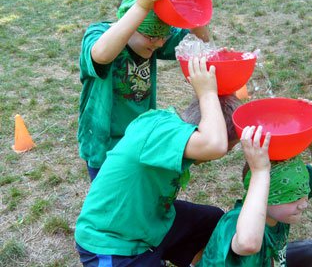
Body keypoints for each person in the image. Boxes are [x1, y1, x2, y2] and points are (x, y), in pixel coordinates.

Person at [75, 56, 242, 267]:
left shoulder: (174, 128)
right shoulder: (159, 133)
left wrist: (227, 72)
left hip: (153, 221)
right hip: (112, 242)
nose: (220, 155)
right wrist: (207, 92)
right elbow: (215, 144)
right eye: (228, 149)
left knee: (213, 221)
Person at [77, 0, 210, 181]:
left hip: (139, 141)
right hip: (104, 148)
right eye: (151, 36)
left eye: (163, 36)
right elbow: (101, 55)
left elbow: (202, 41)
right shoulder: (98, 35)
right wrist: (141, 7)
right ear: (130, 24)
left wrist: (190, 3)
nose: (159, 43)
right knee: (112, 206)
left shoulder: (154, 42)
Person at [198, 105, 312, 267]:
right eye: (292, 198)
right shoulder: (234, 222)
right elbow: (247, 244)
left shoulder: (280, 211)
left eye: (304, 192)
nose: (304, 203)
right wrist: (259, 172)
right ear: (263, 196)